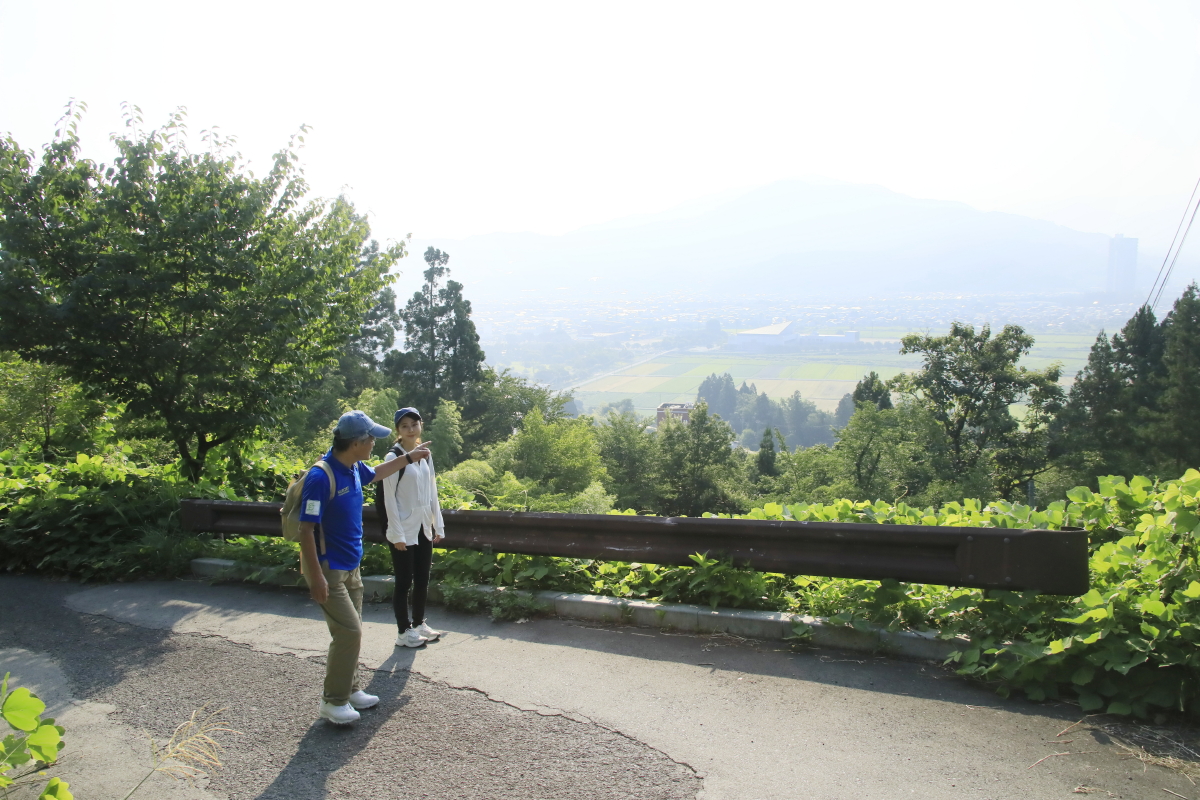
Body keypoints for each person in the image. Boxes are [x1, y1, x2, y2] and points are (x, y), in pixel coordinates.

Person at [298, 409, 430, 725]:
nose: (374, 443)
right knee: (349, 632)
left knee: (352, 632)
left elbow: (378, 473)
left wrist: (409, 457)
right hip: (329, 569)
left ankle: (351, 689)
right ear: (356, 443)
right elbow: (305, 530)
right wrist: (316, 577)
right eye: (371, 438)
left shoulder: (354, 467)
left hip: (351, 566)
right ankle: (333, 701)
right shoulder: (321, 477)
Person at [381, 407, 446, 648]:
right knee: (403, 581)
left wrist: (437, 523)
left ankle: (418, 624)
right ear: (398, 430)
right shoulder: (393, 458)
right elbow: (388, 499)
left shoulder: (425, 454)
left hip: (422, 525)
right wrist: (396, 533)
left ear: (421, 426)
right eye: (405, 426)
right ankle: (403, 632)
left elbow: (432, 490)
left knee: (422, 578)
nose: (410, 429)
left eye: (414, 424)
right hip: (403, 528)